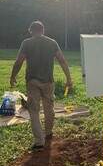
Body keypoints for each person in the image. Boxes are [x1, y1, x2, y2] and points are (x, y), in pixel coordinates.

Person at [10, 21, 73, 151]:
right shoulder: (52, 43)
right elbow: (62, 60)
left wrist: (13, 76)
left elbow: (19, 61)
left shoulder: (26, 43)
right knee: (49, 108)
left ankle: (39, 141)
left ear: (31, 31)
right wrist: (68, 78)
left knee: (34, 111)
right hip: (48, 82)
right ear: (43, 30)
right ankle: (48, 132)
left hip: (32, 82)